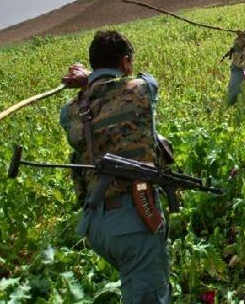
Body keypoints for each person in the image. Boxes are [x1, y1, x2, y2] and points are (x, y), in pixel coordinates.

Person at [59, 30, 171, 303]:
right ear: (125, 62)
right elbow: (150, 80)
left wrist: (88, 82)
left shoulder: (71, 111)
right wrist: (92, 79)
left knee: (134, 280)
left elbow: (95, 111)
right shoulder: (140, 91)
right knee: (147, 295)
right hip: (134, 218)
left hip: (95, 223)